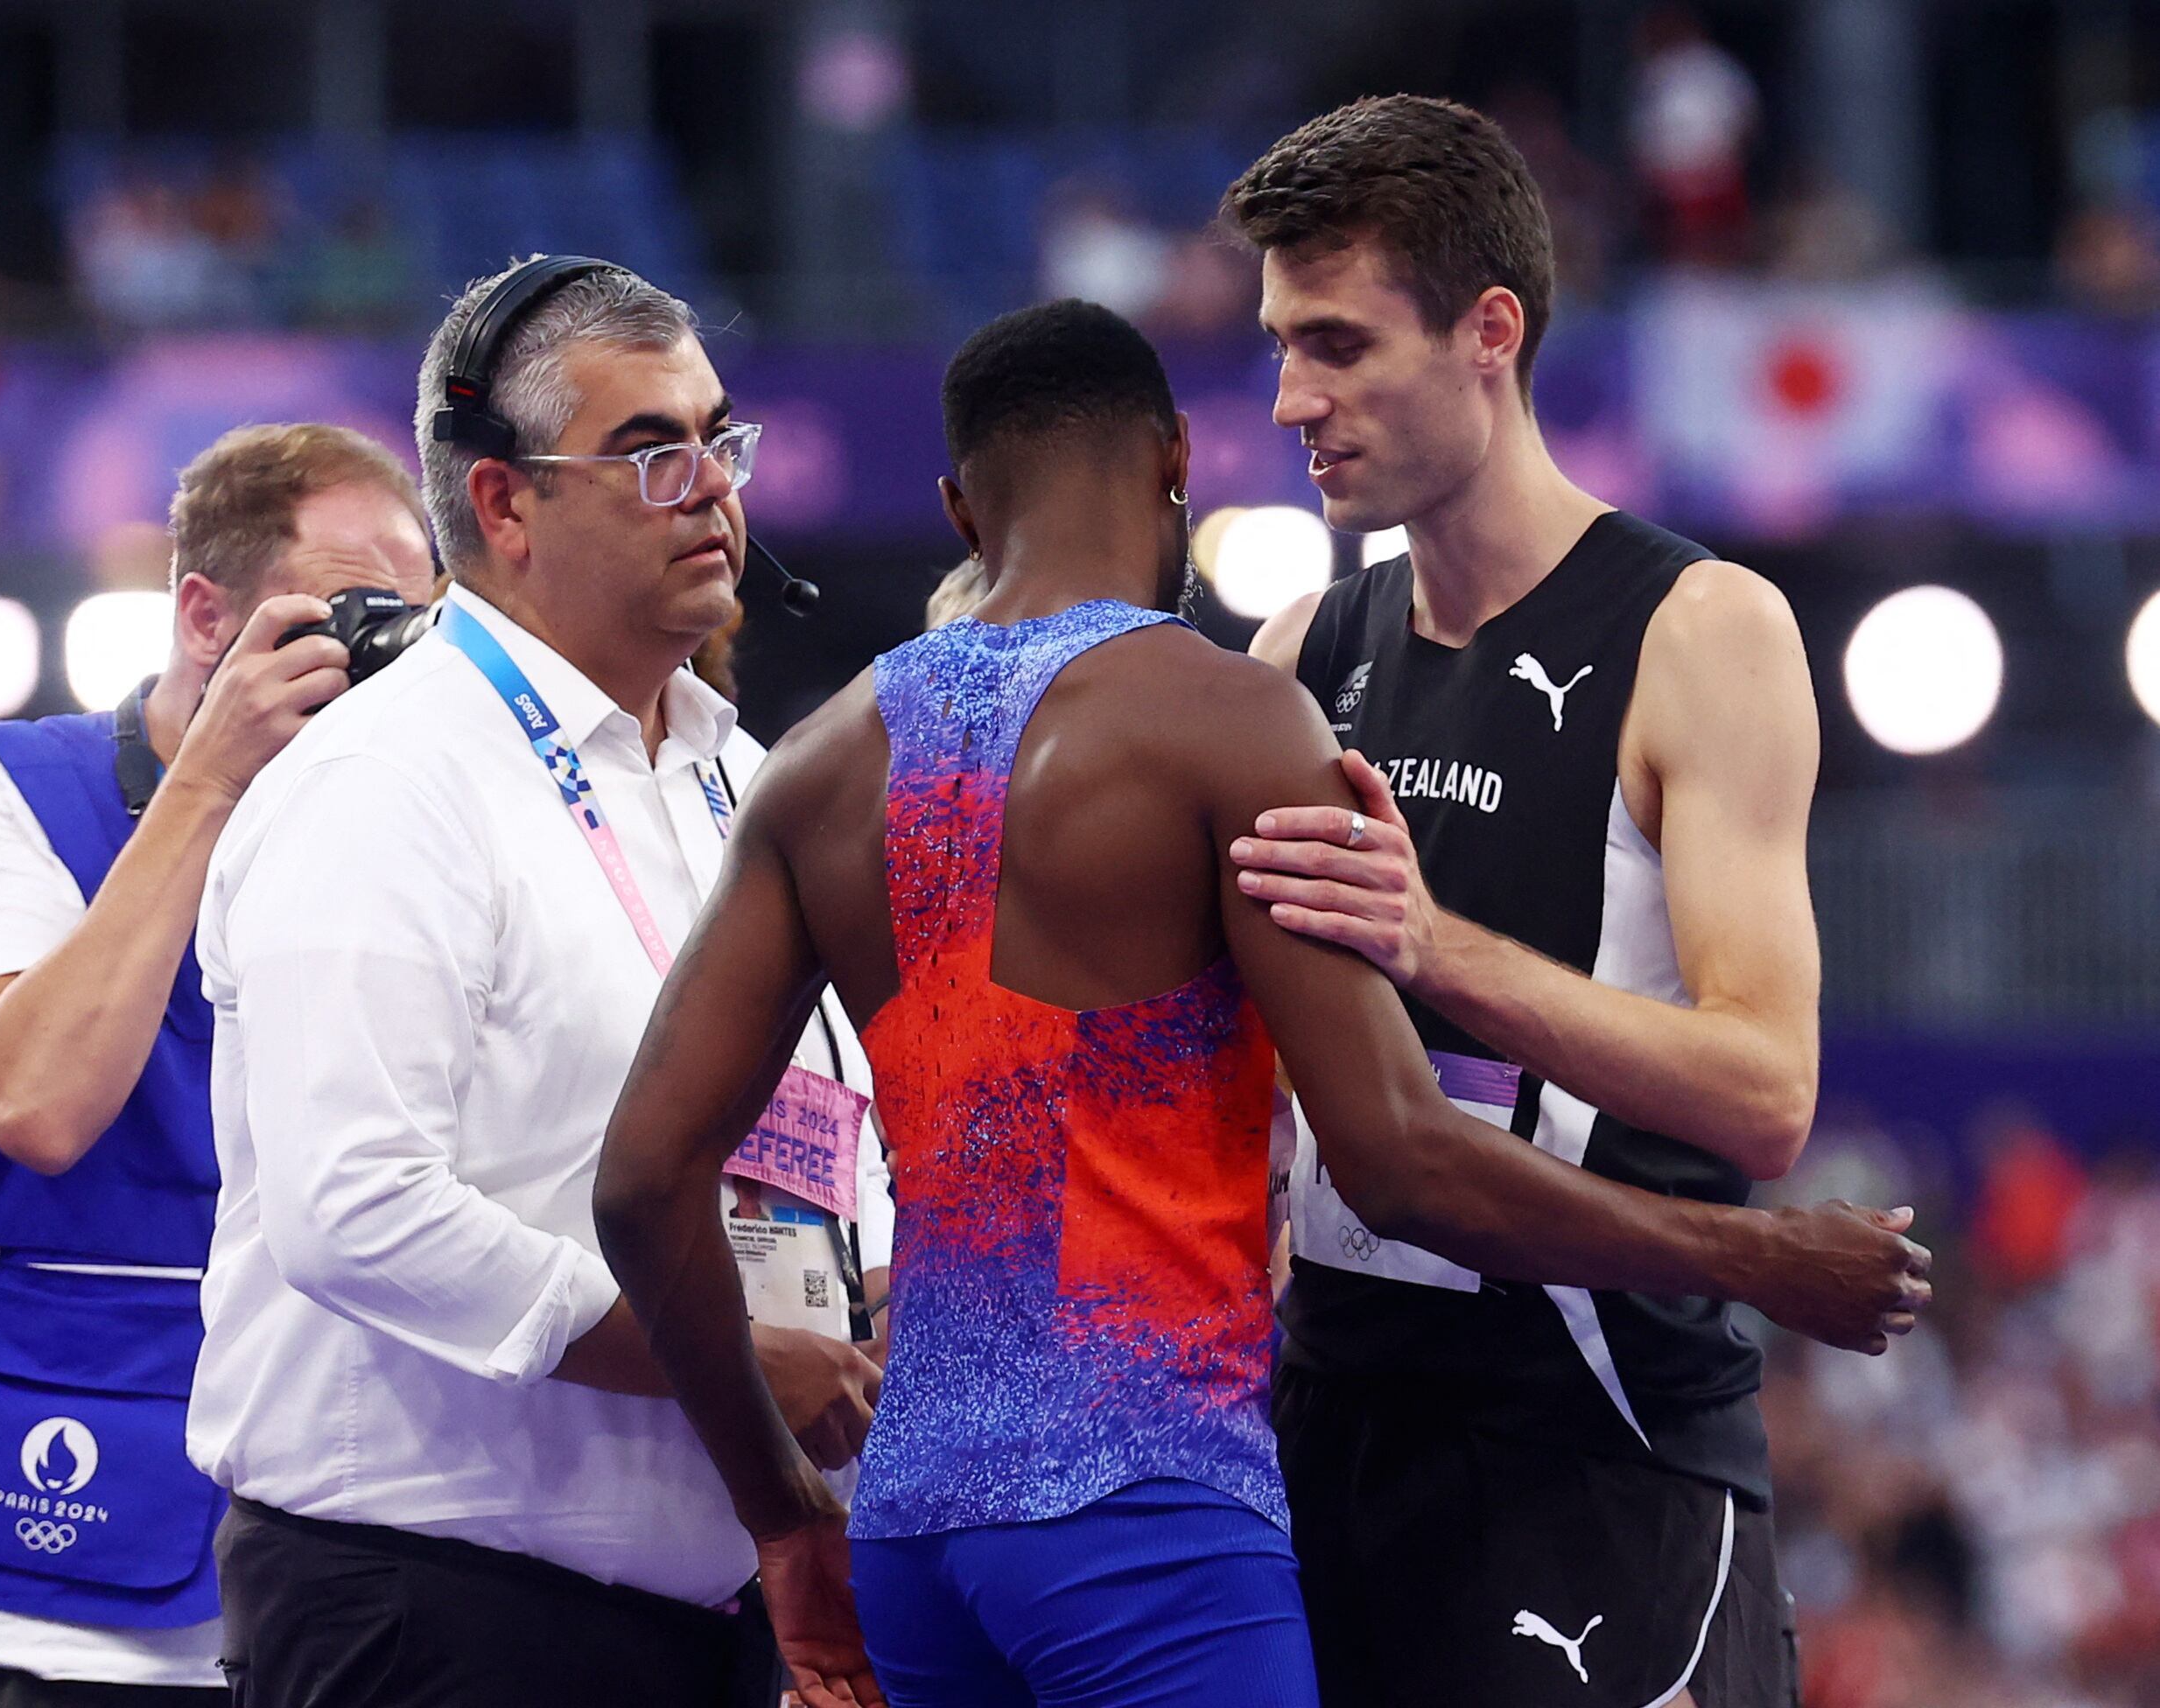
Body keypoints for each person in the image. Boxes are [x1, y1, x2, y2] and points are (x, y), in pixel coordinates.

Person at [590, 298, 1931, 1708]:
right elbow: (1402, 1164)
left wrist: (786, 1510)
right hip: (1146, 1520)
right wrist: (1753, 1260)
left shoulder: (812, 765)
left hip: (921, 1536)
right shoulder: (1227, 718)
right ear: (1177, 461)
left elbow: (640, 1182)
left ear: (956, 510)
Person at [188, 257, 891, 1708]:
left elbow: (825, 1118)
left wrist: (860, 1295)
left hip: (719, 1612)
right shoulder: (385, 779)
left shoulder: (741, 781)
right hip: (433, 1616)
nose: (713, 488)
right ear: (502, 504)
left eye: (719, 439)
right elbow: (354, 1208)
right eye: (650, 453)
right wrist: (728, 1362)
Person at [1222, 94, 1845, 1706]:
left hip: (1600, 1452)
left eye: (1342, 346)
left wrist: (1435, 950)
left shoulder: (1703, 629)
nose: (1293, 395)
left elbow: (1767, 1095)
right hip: (1330, 1441)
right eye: (1285, 344)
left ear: (1489, 332)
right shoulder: (1302, 652)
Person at [0, 423, 434, 1705]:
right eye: (356, 613)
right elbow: (36, 1103)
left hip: (337, 1570)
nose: (385, 655)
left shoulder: (400, 832)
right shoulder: (4, 794)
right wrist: (207, 784)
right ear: (206, 616)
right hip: (30, 1602)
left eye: (414, 624)